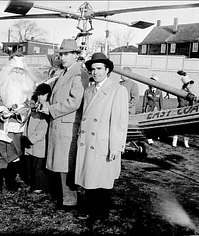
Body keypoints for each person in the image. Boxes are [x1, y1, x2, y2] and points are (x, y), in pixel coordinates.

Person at [74, 52, 129, 229]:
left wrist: (116, 147)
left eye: (99, 68)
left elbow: (119, 121)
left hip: (103, 143)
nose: (95, 72)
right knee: (89, 178)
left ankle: (101, 213)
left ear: (107, 70)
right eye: (92, 69)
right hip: (88, 141)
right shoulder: (89, 90)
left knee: (103, 181)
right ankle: (91, 209)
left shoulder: (118, 90)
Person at [38, 38, 89, 211]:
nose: (63, 57)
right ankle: (64, 197)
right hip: (60, 125)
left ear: (76, 55)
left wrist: (51, 109)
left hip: (67, 126)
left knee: (66, 165)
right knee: (61, 165)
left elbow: (75, 102)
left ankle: (70, 201)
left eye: (67, 54)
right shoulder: (66, 72)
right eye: (61, 54)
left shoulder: (79, 74)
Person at [0, 53, 41, 193]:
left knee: (15, 154)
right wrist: (1, 109)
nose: (17, 72)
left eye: (20, 70)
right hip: (0, 123)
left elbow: (32, 102)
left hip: (18, 124)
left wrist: (21, 109)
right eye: (15, 69)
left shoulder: (30, 86)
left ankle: (11, 182)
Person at [21, 83, 52, 193]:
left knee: (39, 165)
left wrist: (31, 139)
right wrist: (25, 136)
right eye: (38, 95)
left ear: (48, 95)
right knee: (32, 165)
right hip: (30, 141)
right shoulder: (35, 106)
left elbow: (43, 128)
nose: (40, 97)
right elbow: (27, 123)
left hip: (39, 143)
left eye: (43, 95)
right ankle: (33, 184)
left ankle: (40, 186)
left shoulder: (47, 108)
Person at [172, 71, 196, 148]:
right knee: (177, 127)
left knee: (187, 128)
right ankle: (174, 141)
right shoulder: (181, 92)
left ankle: (186, 142)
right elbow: (182, 103)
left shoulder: (190, 93)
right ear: (185, 85)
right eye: (189, 84)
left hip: (188, 112)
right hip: (181, 111)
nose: (191, 85)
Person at [142, 74, 163, 144]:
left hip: (156, 109)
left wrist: (161, 110)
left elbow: (161, 102)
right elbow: (144, 101)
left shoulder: (159, 92)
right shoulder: (147, 91)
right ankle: (149, 138)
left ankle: (156, 135)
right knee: (148, 123)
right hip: (149, 109)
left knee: (156, 123)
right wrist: (143, 110)